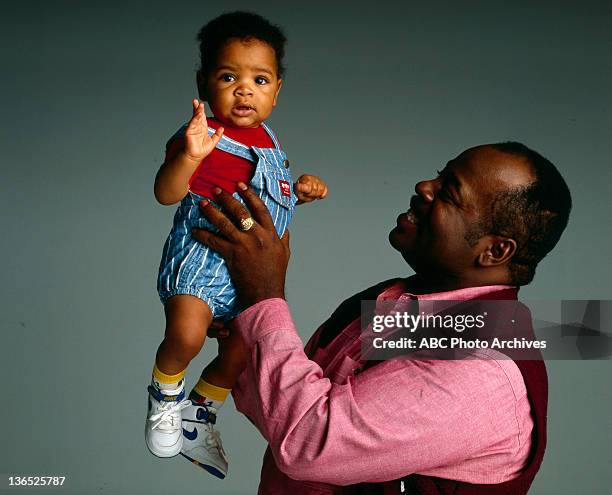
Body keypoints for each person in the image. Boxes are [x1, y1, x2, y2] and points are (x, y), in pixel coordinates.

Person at [190, 142, 571, 494]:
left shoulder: (480, 367)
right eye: (439, 173)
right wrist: (244, 319)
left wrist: (264, 296)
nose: (424, 186)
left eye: (449, 192)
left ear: (495, 251)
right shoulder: (396, 300)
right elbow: (286, 410)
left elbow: (308, 442)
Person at [145, 11, 328, 479]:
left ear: (277, 89)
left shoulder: (270, 141)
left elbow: (266, 205)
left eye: (259, 79)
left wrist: (300, 190)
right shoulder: (200, 137)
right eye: (229, 77)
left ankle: (198, 413)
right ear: (204, 82)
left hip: (249, 272)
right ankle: (165, 399)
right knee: (186, 336)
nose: (244, 89)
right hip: (202, 257)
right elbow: (166, 193)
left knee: (244, 352)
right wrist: (188, 156)